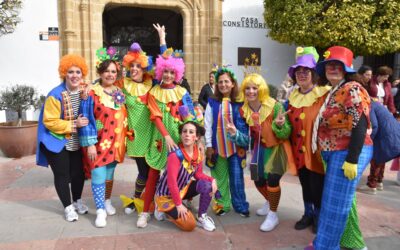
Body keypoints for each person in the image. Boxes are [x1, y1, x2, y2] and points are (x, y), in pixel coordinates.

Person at [306, 46, 373, 250]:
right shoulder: (334, 91)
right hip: (335, 153)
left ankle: (325, 247)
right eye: (329, 65)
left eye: (338, 65)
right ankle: (349, 243)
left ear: (347, 69)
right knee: (337, 201)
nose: (332, 69)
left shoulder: (351, 87)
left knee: (334, 205)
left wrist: (352, 159)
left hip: (348, 152)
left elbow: (360, 123)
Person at [226, 73, 295, 231]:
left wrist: (279, 126)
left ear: (261, 89)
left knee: (272, 179)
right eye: (248, 88)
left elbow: (286, 133)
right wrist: (235, 133)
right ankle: (270, 201)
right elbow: (247, 140)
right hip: (260, 148)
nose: (251, 91)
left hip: (278, 147)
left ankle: (273, 214)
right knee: (257, 180)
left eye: (254, 88)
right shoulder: (244, 111)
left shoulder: (275, 106)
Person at [137, 46, 195, 228]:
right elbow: (155, 116)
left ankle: (170, 204)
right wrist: (166, 136)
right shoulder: (153, 92)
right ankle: (145, 212)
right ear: (160, 71)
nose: (168, 75)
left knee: (178, 175)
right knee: (153, 175)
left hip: (179, 140)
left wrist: (193, 136)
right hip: (160, 140)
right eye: (166, 71)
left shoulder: (182, 92)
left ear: (176, 74)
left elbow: (189, 117)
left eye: (172, 72)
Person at [119, 23, 167, 215]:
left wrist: (162, 39)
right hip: (136, 136)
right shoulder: (122, 84)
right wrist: (87, 88)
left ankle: (153, 199)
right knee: (143, 172)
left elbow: (166, 65)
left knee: (154, 170)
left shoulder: (152, 82)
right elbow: (103, 84)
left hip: (153, 133)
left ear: (143, 66)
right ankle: (138, 199)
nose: (135, 69)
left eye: (138, 66)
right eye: (132, 66)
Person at [36, 54, 90, 222]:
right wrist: (75, 124)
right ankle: (68, 207)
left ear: (83, 74)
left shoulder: (83, 91)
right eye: (70, 72)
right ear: (64, 74)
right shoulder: (55, 94)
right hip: (55, 141)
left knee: (78, 174)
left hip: (74, 140)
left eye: (78, 72)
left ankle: (77, 201)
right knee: (62, 175)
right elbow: (50, 121)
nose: (75, 75)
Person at [78, 47, 127, 228]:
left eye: (113, 71)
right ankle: (99, 210)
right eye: (106, 71)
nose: (110, 74)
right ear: (100, 72)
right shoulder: (90, 93)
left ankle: (106, 201)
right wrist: (90, 144)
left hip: (116, 143)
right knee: (98, 172)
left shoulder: (119, 91)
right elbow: (85, 118)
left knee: (109, 173)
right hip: (98, 142)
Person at [286, 47, 331, 233]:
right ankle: (308, 213)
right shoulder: (292, 96)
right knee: (305, 184)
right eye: (298, 71)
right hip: (298, 150)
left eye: (306, 71)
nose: (302, 74)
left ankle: (319, 216)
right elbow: (287, 122)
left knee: (317, 186)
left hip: (317, 151)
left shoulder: (324, 94)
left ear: (313, 74)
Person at [155, 111, 218, 232]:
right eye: (184, 131)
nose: (187, 135)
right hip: (166, 195)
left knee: (207, 186)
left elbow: (198, 174)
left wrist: (212, 180)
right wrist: (179, 205)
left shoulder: (198, 153)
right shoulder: (175, 155)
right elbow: (172, 182)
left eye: (191, 132)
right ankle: (161, 207)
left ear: (197, 137)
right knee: (189, 225)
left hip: (182, 190)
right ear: (181, 134)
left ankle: (202, 217)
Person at [204, 65, 250, 217]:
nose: (223, 85)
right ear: (217, 85)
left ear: (232, 84)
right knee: (219, 177)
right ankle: (223, 204)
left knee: (237, 179)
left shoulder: (240, 103)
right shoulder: (212, 102)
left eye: (226, 82)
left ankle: (241, 205)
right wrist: (209, 146)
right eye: (220, 82)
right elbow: (208, 125)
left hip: (236, 148)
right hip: (218, 147)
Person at [358, 66, 395, 195]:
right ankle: (373, 182)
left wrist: (393, 114)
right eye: (384, 75)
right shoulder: (369, 82)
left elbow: (390, 100)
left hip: (383, 115)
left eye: (388, 76)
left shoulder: (387, 85)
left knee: (382, 148)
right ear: (378, 74)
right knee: (378, 148)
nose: (386, 78)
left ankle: (377, 181)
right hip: (373, 114)